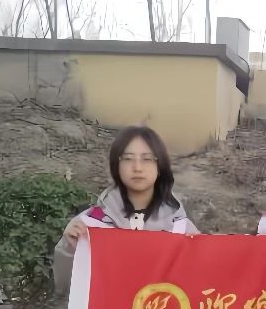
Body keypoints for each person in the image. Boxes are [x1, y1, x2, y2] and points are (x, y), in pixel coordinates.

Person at [54, 125, 197, 291]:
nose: (137, 167)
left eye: (147, 159)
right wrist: (69, 247)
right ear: (117, 166)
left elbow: (201, 283)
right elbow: (64, 285)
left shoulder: (181, 228)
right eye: (128, 159)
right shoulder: (90, 223)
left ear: (160, 166)